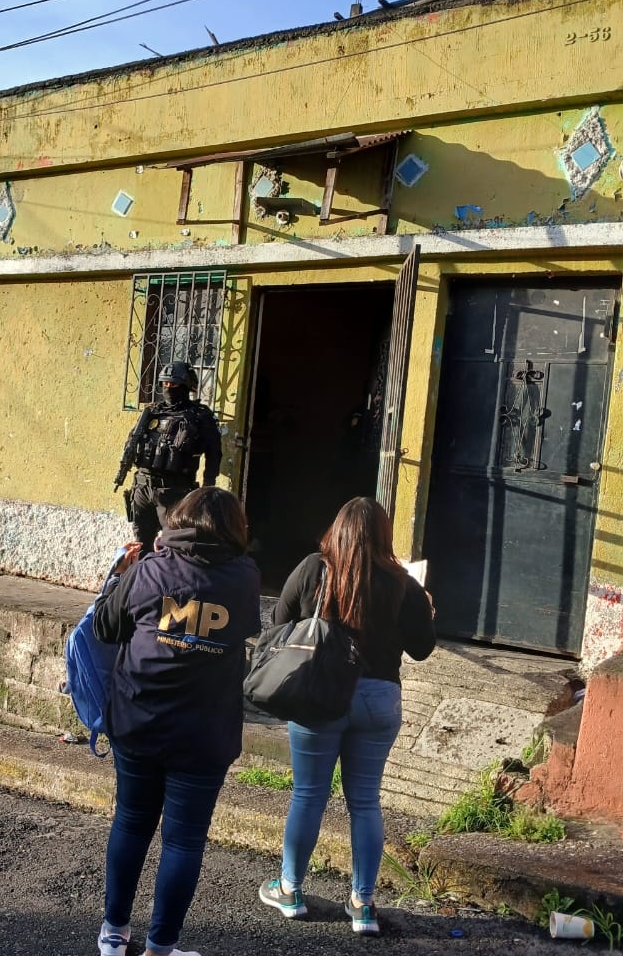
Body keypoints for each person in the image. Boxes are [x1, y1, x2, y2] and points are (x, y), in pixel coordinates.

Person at [92, 487, 261, 956]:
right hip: (204, 732)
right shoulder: (243, 578)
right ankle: (160, 948)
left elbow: (107, 627)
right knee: (183, 842)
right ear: (234, 529)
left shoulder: (149, 569)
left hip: (139, 719)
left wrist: (121, 577)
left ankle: (112, 936)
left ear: (178, 520)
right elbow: (244, 628)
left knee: (130, 822)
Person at [257, 496, 435, 937]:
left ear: (336, 530)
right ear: (383, 535)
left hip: (319, 693)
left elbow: (279, 623)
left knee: (308, 795)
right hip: (378, 699)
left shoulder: (314, 569)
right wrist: (426, 607)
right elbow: (422, 648)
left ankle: (291, 890)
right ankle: (363, 905)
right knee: (365, 801)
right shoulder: (402, 583)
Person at [123, 362, 223, 554]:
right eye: (165, 384)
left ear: (186, 387)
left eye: (174, 385)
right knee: (141, 542)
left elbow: (214, 452)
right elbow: (133, 441)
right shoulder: (152, 412)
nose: (168, 389)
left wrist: (208, 486)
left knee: (175, 544)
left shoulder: (200, 416)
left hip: (175, 490)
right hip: (142, 487)